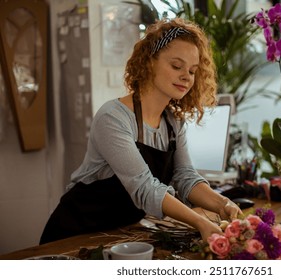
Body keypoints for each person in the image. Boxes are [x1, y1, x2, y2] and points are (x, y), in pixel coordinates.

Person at [40, 18, 242, 245]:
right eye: (177, 66)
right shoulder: (113, 117)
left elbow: (184, 177)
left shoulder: (173, 123)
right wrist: (201, 222)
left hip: (118, 235)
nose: (186, 76)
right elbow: (145, 187)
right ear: (150, 63)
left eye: (193, 71)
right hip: (73, 235)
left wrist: (222, 204)